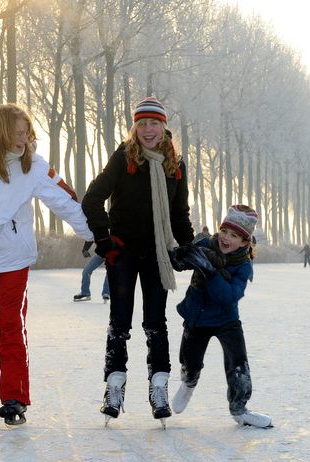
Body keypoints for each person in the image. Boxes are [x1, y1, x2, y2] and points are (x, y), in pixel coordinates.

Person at [0, 103, 93, 425]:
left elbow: (64, 201)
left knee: (11, 324)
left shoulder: (34, 166)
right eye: (17, 134)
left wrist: (93, 234)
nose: (24, 140)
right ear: (1, 132)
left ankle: (14, 397)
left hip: (15, 256)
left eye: (27, 133)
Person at [81, 97, 194, 425]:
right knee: (120, 321)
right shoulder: (123, 157)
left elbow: (179, 213)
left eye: (154, 123)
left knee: (156, 322)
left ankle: (158, 386)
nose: (148, 130)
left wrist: (186, 248)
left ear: (163, 126)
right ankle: (114, 386)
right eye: (141, 124)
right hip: (124, 252)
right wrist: (105, 240)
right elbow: (92, 199)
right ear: (134, 127)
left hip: (157, 253)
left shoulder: (176, 164)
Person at [170, 205, 272, 428]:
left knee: (238, 363)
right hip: (197, 317)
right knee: (190, 360)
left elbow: (228, 296)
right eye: (224, 231)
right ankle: (188, 382)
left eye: (234, 235)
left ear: (245, 242)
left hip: (227, 319)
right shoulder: (206, 244)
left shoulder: (243, 265)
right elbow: (180, 262)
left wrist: (210, 271)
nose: (226, 238)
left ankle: (239, 408)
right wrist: (181, 256)